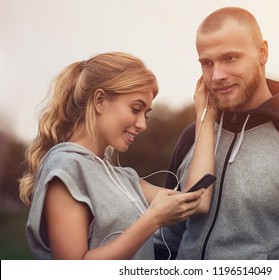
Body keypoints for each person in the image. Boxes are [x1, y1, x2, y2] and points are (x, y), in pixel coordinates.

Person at [154, 7, 279, 260]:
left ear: (262, 53)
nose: (216, 76)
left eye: (230, 58)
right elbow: (167, 240)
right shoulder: (192, 137)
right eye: (207, 63)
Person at [19, 52, 217, 260]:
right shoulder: (65, 168)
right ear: (100, 100)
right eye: (135, 109)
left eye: (146, 114)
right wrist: (152, 220)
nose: (143, 124)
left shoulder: (123, 179)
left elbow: (198, 201)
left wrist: (205, 115)